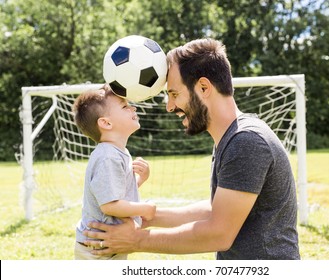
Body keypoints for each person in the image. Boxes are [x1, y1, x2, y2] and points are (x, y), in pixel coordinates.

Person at [83, 38, 300, 260]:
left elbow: (219, 233)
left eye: (174, 94)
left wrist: (138, 239)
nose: (169, 107)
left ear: (204, 87)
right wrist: (150, 217)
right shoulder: (233, 137)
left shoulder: (247, 141)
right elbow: (217, 209)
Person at [73, 84, 156, 260]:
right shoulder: (108, 157)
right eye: (125, 106)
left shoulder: (118, 152)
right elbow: (109, 205)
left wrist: (140, 179)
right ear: (106, 123)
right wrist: (144, 209)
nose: (133, 107)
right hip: (97, 250)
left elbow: (115, 192)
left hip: (109, 245)